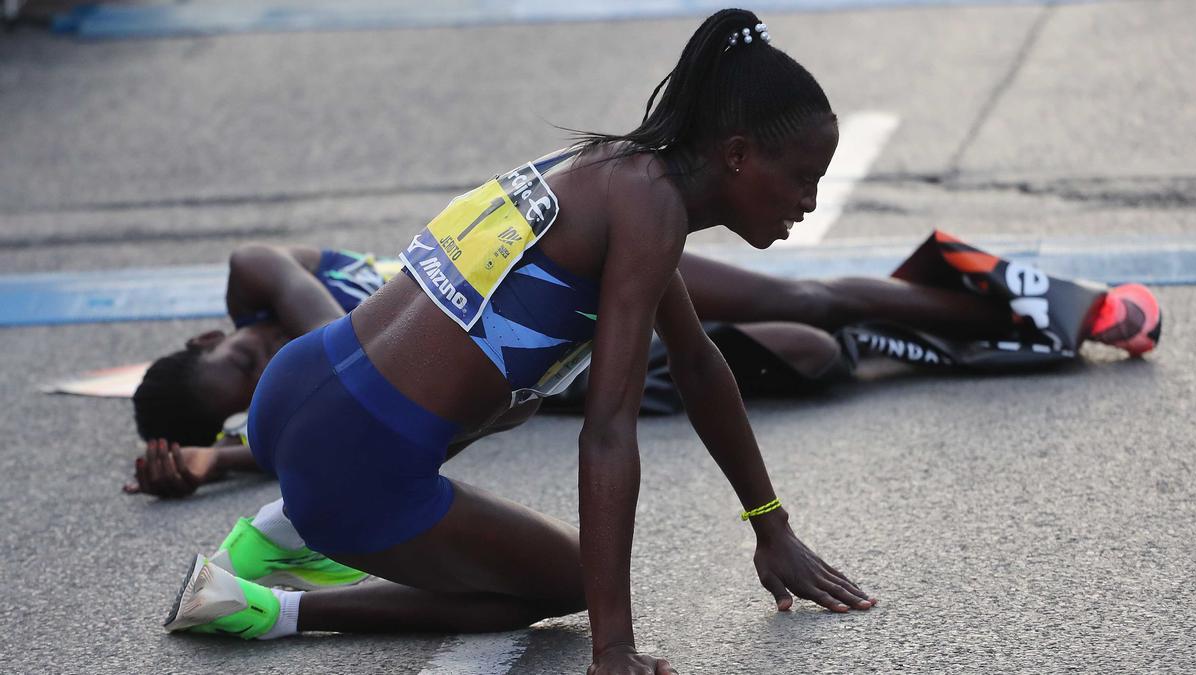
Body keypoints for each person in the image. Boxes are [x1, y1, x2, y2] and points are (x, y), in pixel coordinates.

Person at [163, 11, 875, 672]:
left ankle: (281, 530)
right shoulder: (651, 209)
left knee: (506, 393)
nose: (809, 201)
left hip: (298, 382)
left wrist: (769, 523)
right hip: (354, 451)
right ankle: (268, 608)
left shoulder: (615, 170)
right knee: (567, 579)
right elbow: (606, 432)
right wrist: (613, 645)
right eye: (804, 177)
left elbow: (695, 361)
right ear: (739, 155)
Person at [127, 242, 1161, 497]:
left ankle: (1071, 309)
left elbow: (269, 288)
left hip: (562, 261)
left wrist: (278, 382)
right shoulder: (307, 401)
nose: (269, 357)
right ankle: (972, 323)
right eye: (254, 377)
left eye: (245, 354)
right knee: (815, 350)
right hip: (587, 363)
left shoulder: (290, 290)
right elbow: (333, 439)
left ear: (213, 335)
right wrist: (231, 458)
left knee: (808, 301)